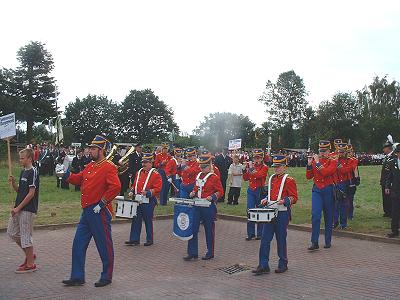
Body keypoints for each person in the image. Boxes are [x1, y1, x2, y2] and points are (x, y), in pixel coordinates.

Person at [62, 135, 121, 287]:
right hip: (87, 211)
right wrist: (65, 174)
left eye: (93, 148)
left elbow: (116, 187)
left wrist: (102, 203)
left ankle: (106, 276)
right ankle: (77, 276)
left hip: (99, 211)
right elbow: (78, 179)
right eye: (90, 148)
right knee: (78, 244)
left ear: (101, 150)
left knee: (104, 245)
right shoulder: (90, 165)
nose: (90, 151)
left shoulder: (108, 166)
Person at [253, 155, 298, 275]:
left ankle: (283, 263)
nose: (276, 169)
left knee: (281, 239)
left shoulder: (289, 180)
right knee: (265, 239)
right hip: (270, 212)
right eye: (275, 167)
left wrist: (285, 201)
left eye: (278, 167)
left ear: (284, 167)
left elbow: (294, 198)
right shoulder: (272, 178)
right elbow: (271, 194)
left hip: (282, 213)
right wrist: (266, 199)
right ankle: (263, 265)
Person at [184, 154, 224, 261]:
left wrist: (212, 197)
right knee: (193, 228)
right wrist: (193, 192)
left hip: (208, 206)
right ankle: (192, 252)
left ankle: (210, 252)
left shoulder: (214, 177)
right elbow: (196, 188)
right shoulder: (198, 176)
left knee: (208, 229)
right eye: (201, 166)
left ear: (210, 165)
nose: (202, 169)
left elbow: (220, 191)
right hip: (197, 205)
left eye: (204, 166)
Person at [7, 148, 40, 273]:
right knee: (12, 233)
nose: (20, 160)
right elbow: (20, 191)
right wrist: (14, 183)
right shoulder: (23, 172)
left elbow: (31, 194)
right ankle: (30, 255)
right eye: (20, 158)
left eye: (22, 158)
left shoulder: (33, 172)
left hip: (27, 209)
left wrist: (18, 208)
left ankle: (30, 264)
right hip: (19, 207)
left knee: (26, 236)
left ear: (30, 159)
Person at [125, 152, 162, 246]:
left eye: (146, 162)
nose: (143, 164)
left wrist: (148, 192)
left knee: (148, 220)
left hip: (148, 201)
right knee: (135, 220)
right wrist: (132, 191)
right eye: (143, 162)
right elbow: (135, 184)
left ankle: (149, 239)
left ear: (151, 163)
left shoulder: (155, 174)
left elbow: (158, 188)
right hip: (137, 200)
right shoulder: (139, 172)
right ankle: (134, 239)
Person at [306, 140, 337, 251]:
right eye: (320, 151)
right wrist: (309, 165)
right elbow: (308, 176)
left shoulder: (333, 161)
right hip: (317, 190)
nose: (322, 153)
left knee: (328, 217)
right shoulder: (315, 161)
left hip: (328, 190)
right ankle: (314, 242)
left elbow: (326, 172)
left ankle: (328, 240)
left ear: (329, 151)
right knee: (315, 215)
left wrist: (317, 162)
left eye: (324, 151)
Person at [243, 149, 269, 241]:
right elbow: (245, 178)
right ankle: (250, 233)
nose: (256, 160)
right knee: (250, 210)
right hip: (251, 190)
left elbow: (259, 176)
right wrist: (244, 170)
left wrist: (251, 169)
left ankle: (260, 233)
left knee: (260, 211)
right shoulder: (251, 166)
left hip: (260, 191)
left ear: (262, 158)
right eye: (255, 158)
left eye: (258, 158)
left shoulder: (264, 167)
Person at [333, 143, 354, 230]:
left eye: (342, 152)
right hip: (334, 183)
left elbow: (345, 170)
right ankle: (334, 222)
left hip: (344, 183)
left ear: (346, 152)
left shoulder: (351, 160)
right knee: (334, 204)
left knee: (343, 204)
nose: (340, 153)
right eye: (339, 151)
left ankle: (343, 223)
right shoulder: (334, 158)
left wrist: (337, 163)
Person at [385, 144, 400, 238]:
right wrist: (387, 186)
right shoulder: (393, 162)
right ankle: (394, 230)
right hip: (395, 191)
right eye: (398, 153)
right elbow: (389, 176)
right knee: (394, 212)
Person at [381, 137, 395, 217]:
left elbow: (390, 171)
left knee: (389, 197)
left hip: (389, 181)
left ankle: (390, 211)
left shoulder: (393, 156)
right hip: (384, 180)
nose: (383, 150)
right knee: (385, 197)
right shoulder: (387, 157)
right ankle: (387, 211)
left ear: (388, 148)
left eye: (384, 148)